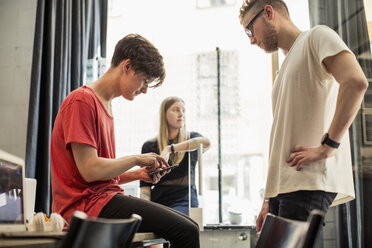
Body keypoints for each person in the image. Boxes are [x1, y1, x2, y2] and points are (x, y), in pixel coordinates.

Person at [50, 34, 200, 248]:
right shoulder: (82, 101)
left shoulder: (105, 106)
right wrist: (137, 159)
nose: (145, 89)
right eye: (145, 81)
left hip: (100, 199)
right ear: (127, 66)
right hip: (86, 206)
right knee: (187, 231)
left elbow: (98, 177)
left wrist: (136, 175)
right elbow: (89, 170)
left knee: (188, 226)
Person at [238, 0, 368, 233]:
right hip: (285, 187)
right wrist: (269, 199)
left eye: (250, 29)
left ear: (268, 12)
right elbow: (281, 137)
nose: (251, 40)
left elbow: (355, 82)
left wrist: (327, 147)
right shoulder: (283, 69)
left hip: (307, 180)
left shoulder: (316, 37)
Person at [139, 97, 210, 215]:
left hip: (185, 199)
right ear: (164, 114)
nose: (181, 114)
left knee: (173, 222)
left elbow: (206, 142)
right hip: (159, 200)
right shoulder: (149, 146)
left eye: (183, 110)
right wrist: (145, 210)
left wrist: (171, 148)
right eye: (176, 110)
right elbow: (145, 188)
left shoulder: (191, 139)